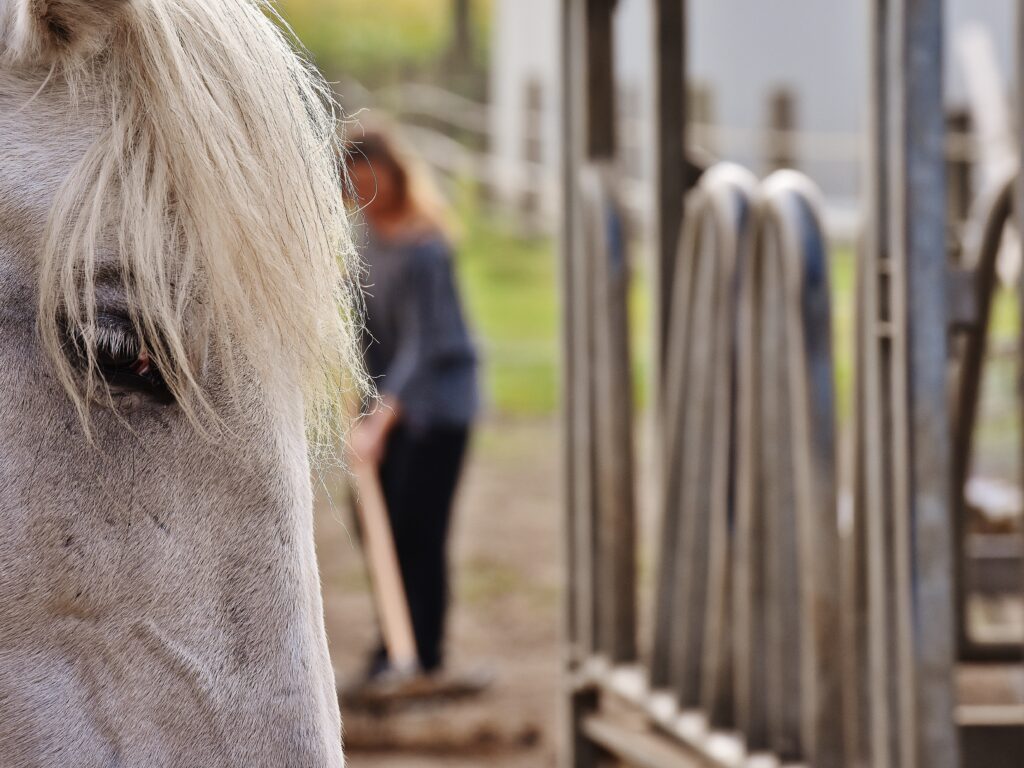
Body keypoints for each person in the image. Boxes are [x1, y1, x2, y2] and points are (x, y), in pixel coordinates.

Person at [346, 128, 479, 683]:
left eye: (372, 181)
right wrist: (360, 408)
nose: (364, 195)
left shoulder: (428, 248)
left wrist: (382, 418)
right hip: (385, 409)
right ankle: (392, 647)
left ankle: (424, 656)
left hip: (436, 409)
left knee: (417, 529)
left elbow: (426, 345)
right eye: (354, 186)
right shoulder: (362, 244)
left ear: (396, 178)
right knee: (373, 527)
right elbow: (361, 335)